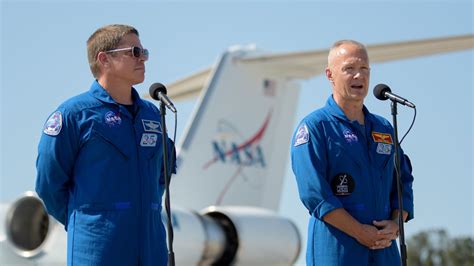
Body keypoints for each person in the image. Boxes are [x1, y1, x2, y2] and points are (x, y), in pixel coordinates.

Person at [35, 24, 175, 266]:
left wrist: (145, 209)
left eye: (144, 52)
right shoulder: (74, 115)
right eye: (134, 51)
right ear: (104, 59)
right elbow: (49, 184)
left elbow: (161, 174)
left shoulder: (152, 115)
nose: (142, 59)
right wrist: (89, 219)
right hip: (98, 250)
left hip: (152, 251)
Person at [291, 40, 414, 265]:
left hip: (384, 252)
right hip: (337, 252)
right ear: (330, 75)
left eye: (364, 69)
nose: (359, 76)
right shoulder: (315, 128)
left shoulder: (384, 128)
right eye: (349, 69)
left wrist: (396, 224)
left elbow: (403, 182)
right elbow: (315, 194)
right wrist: (359, 231)